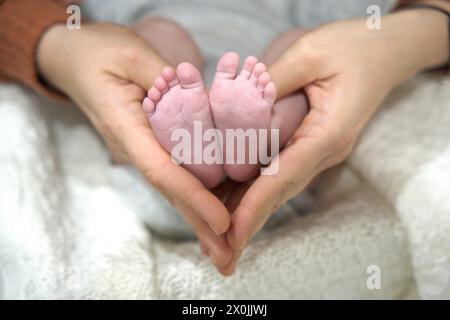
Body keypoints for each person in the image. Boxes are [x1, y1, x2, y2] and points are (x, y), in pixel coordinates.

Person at [0, 0, 448, 276]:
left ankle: (243, 141)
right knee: (154, 44)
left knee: (302, 51)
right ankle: (250, 140)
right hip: (163, 79)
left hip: (259, 78)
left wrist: (401, 38)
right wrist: (61, 48)